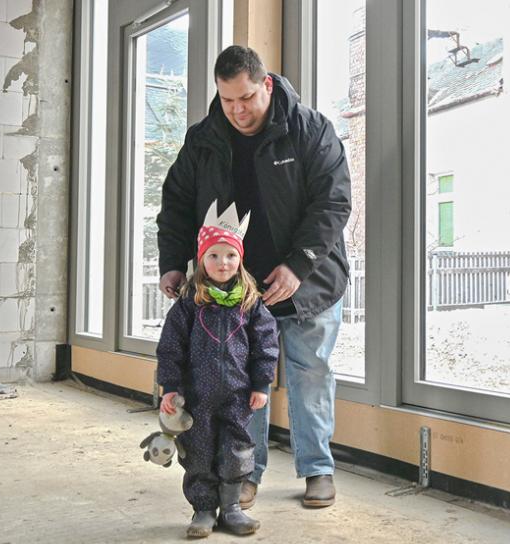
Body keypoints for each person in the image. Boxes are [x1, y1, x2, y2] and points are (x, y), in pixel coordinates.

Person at [157, 45, 351, 509]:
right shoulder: (203, 139)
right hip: (233, 290)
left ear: (266, 84)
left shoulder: (310, 129)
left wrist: (298, 265)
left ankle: (317, 470)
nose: (238, 110)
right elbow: (177, 206)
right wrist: (172, 261)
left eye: (246, 97)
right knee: (242, 385)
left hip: (309, 283)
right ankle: (245, 473)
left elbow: (333, 203)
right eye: (228, 101)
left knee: (311, 375)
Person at [156, 201, 279, 538]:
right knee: (198, 453)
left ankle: (233, 508)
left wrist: (261, 385)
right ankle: (203, 510)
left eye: (230, 256)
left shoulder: (251, 304)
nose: (222, 263)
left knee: (236, 449)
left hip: (238, 397)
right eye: (214, 256)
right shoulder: (188, 303)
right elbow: (170, 348)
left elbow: (266, 346)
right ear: (201, 259)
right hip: (197, 398)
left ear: (240, 259)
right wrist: (170, 387)